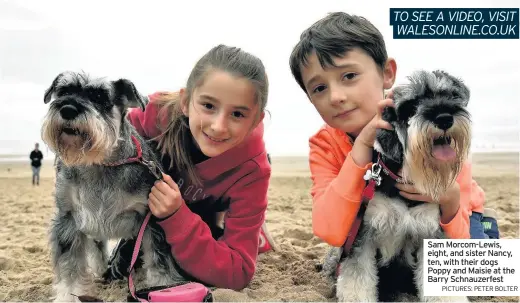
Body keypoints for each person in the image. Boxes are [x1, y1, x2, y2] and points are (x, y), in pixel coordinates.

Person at [288, 12, 499, 246]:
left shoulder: (427, 125)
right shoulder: (325, 143)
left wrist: (450, 200)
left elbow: (458, 241)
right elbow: (329, 231)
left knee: (461, 275)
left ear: (387, 73)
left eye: (349, 75)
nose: (336, 96)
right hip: (381, 220)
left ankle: (487, 224)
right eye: (319, 88)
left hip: (457, 214)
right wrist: (362, 147)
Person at [104, 44, 275, 290]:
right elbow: (106, 147)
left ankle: (252, 227)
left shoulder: (254, 170)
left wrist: (176, 216)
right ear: (185, 101)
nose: (218, 126)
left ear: (256, 121)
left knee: (203, 249)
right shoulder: (152, 114)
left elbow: (238, 273)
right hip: (147, 212)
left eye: (238, 114)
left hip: (203, 215)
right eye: (208, 106)